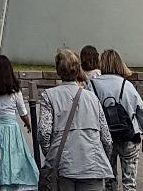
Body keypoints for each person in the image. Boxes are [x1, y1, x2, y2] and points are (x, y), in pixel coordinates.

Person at [34, 49, 111, 191]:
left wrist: (51, 153)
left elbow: (44, 133)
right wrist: (104, 156)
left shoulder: (49, 96)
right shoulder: (92, 98)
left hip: (63, 165)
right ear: (78, 70)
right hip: (92, 164)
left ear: (58, 70)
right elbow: (106, 138)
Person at [90, 50, 143, 191]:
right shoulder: (127, 85)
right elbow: (141, 111)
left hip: (104, 138)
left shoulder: (92, 85)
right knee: (130, 182)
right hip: (129, 136)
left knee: (108, 180)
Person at [0, 56, 39, 191]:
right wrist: (28, 124)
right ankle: (13, 183)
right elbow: (23, 112)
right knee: (15, 158)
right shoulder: (15, 90)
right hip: (12, 128)